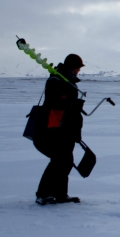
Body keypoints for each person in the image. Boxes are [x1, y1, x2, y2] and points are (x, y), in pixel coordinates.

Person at [33, 54, 86, 205]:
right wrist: (70, 103)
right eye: (78, 68)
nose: (78, 71)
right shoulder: (55, 80)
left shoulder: (69, 82)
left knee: (67, 160)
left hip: (66, 128)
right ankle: (43, 194)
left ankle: (60, 194)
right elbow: (54, 102)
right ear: (72, 67)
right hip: (52, 127)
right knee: (58, 159)